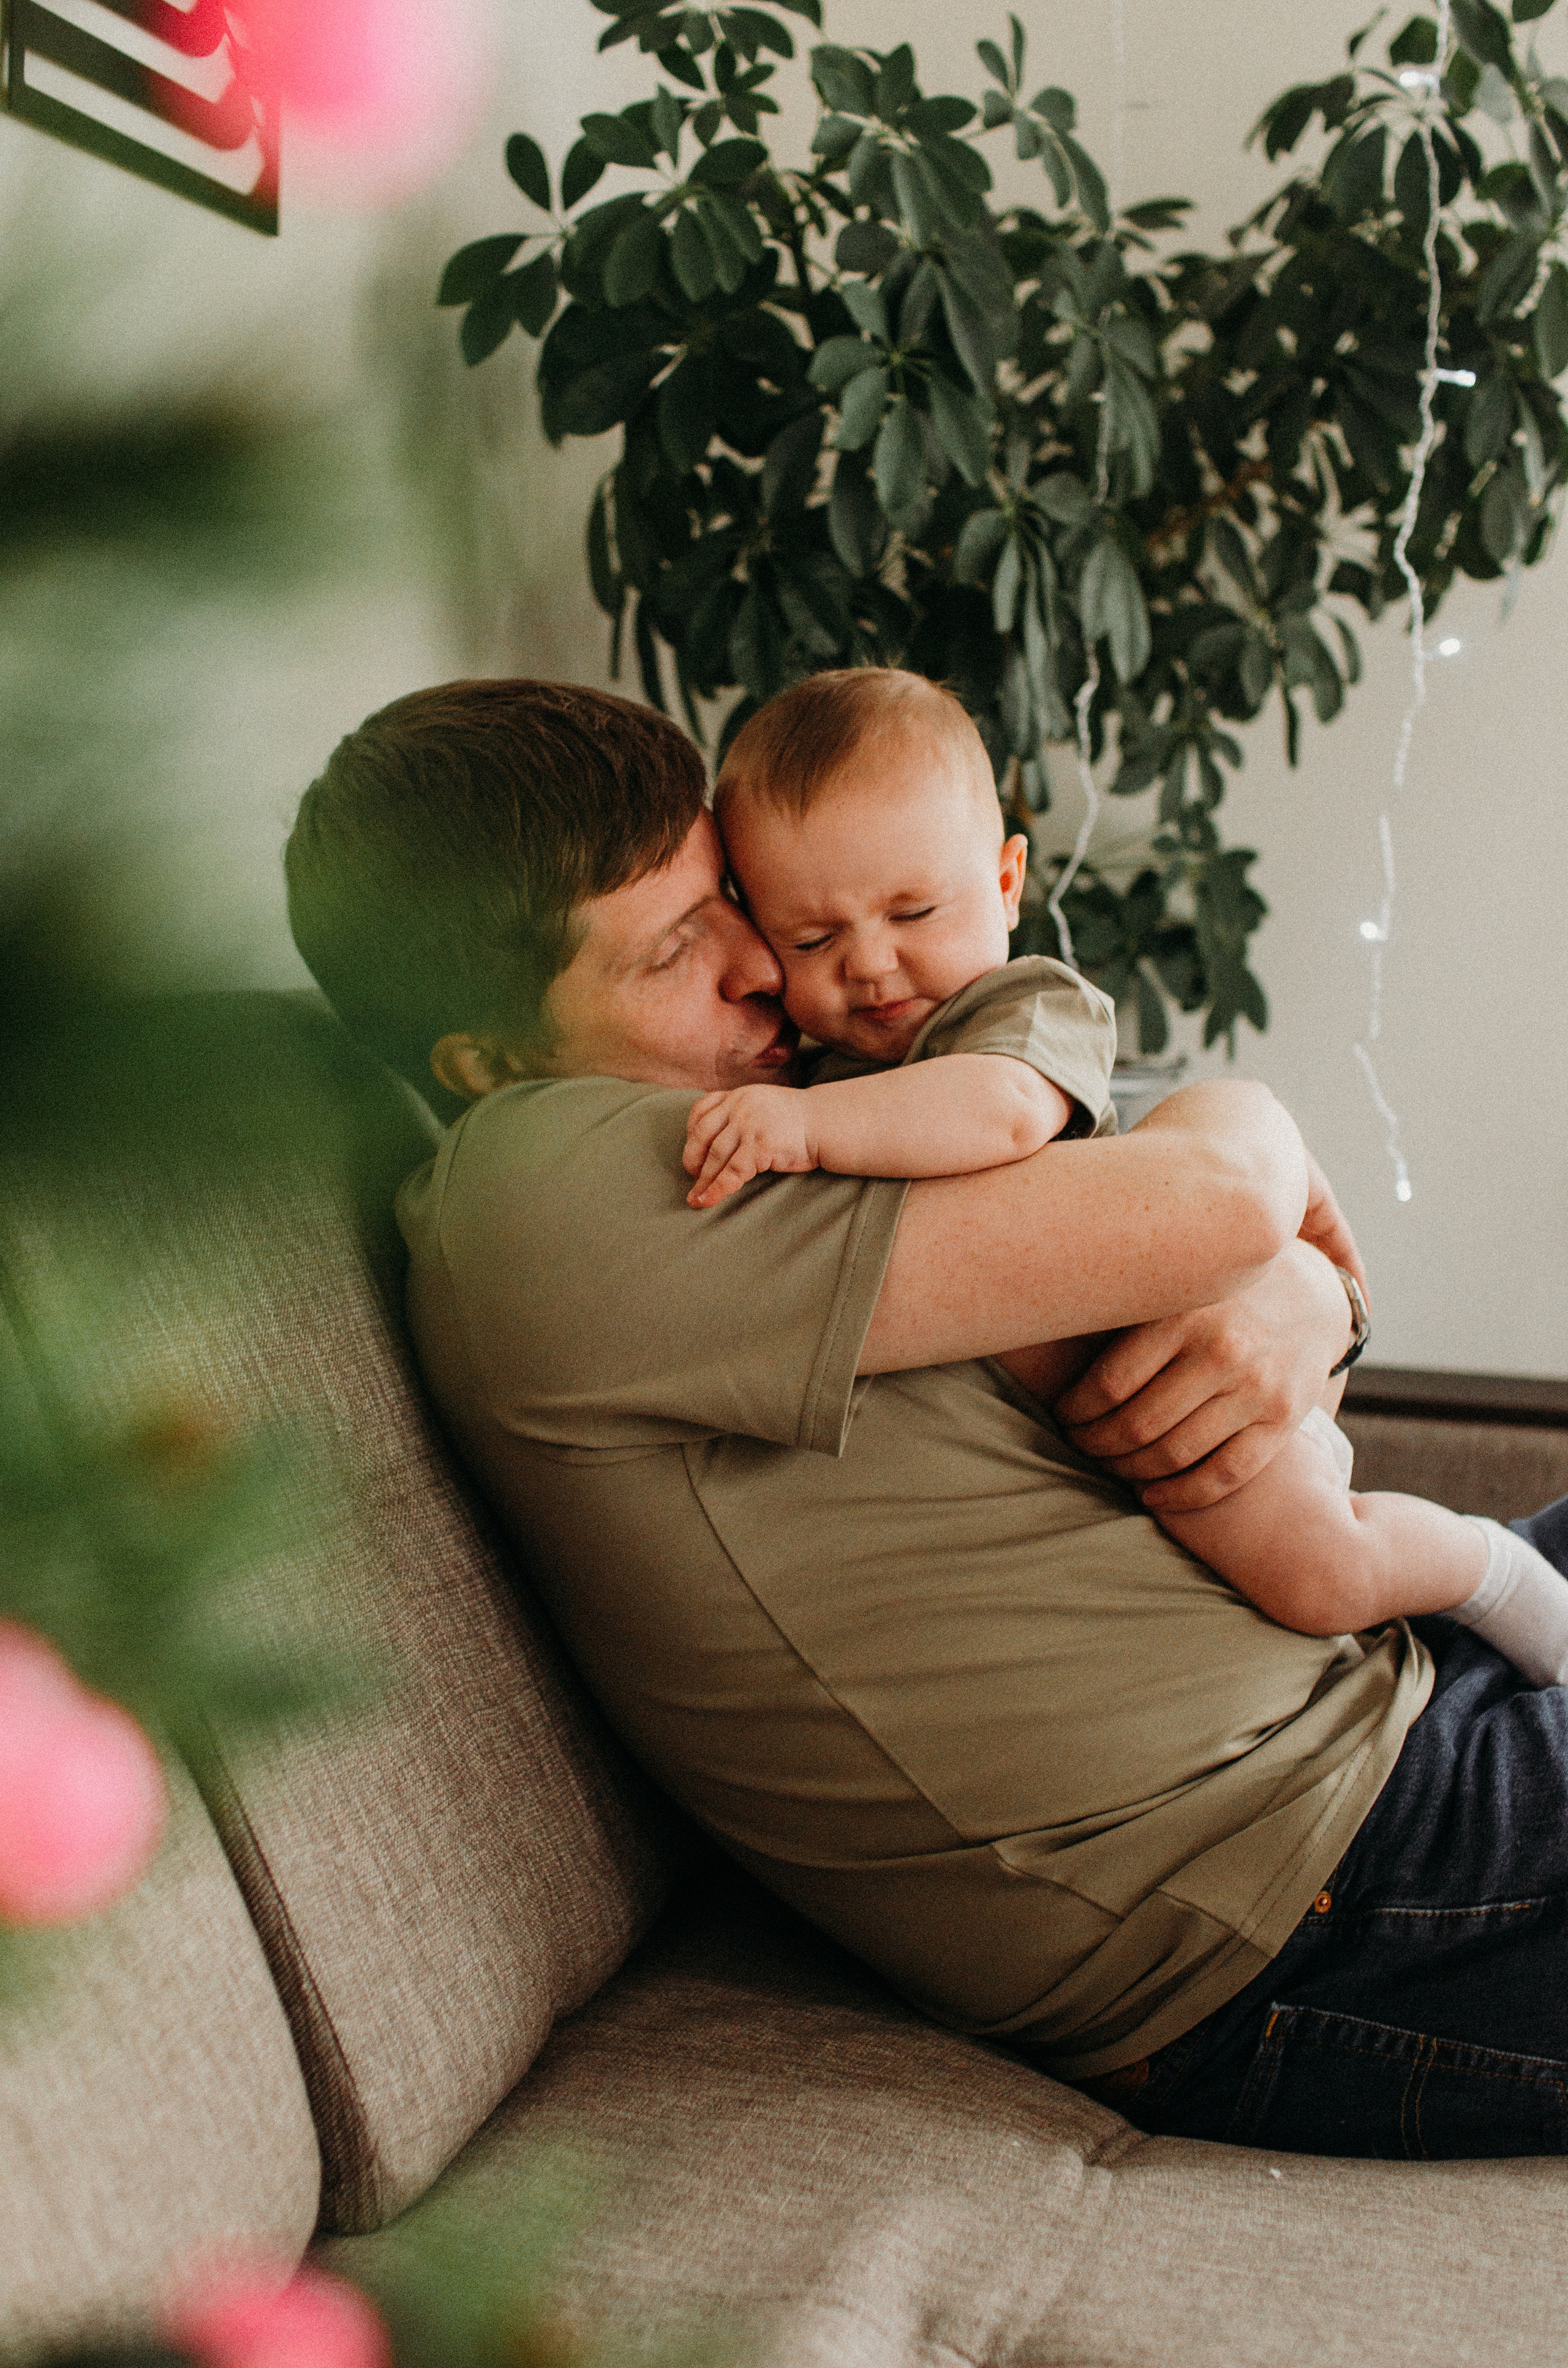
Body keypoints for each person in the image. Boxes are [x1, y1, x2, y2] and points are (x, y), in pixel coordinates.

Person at [284, 675, 1568, 2160]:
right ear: (485, 1064)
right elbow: (1210, 1200)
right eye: (672, 951)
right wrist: (1261, 1145)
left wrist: (1302, 1293)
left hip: (1374, 1711)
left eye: (729, 904)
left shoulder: (751, 1126)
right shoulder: (554, 1191)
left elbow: (1163, 1231)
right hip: (1320, 1889)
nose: (765, 970)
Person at [685, 667, 1568, 1677]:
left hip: (1186, 1371)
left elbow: (998, 1113)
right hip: (1096, 1439)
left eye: (915, 911)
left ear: (1008, 883)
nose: (871, 962)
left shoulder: (1018, 1011)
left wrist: (803, 1126)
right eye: (813, 936)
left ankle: (1492, 1567)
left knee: (1324, 1578)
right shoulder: (817, 1063)